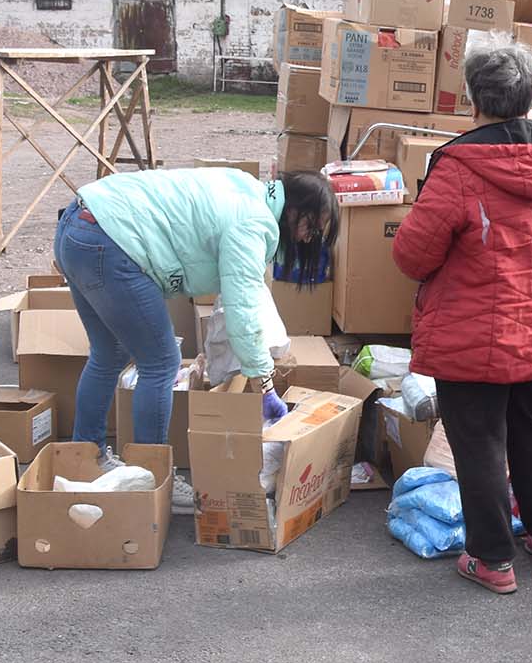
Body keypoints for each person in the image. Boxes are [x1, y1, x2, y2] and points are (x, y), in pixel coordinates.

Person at [392, 32, 532, 594]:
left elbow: (412, 255)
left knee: (479, 441)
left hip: (472, 333)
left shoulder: (458, 167)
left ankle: (491, 559)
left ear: (472, 97)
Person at [53, 167, 339, 483]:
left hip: (78, 226)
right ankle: (152, 478)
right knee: (161, 363)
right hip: (110, 241)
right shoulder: (252, 224)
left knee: (109, 354)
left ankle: (82, 461)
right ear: (296, 210)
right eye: (312, 229)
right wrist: (265, 387)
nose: (307, 239)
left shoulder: (247, 189)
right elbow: (243, 312)